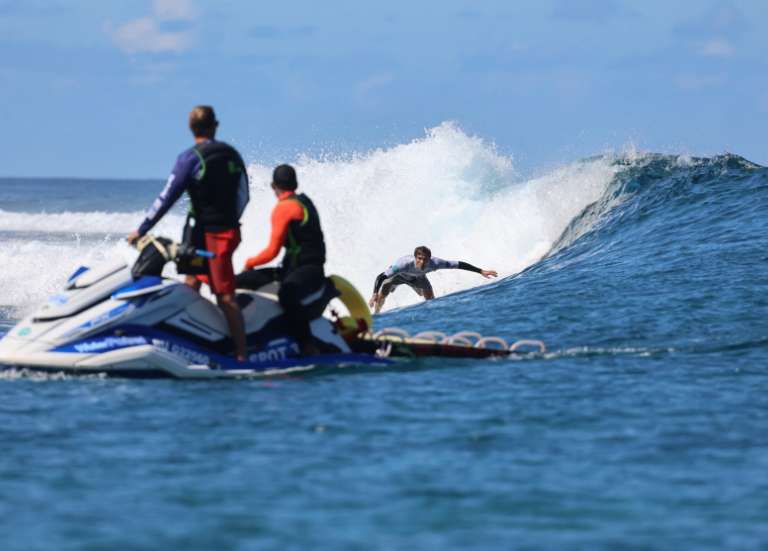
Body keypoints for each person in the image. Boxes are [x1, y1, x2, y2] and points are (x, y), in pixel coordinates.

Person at [127, 105, 250, 361]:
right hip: (217, 233)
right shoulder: (232, 154)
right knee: (191, 284)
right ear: (215, 125)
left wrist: (142, 229)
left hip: (210, 235)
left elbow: (167, 197)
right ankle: (196, 339)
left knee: (224, 295)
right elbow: (243, 195)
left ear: (191, 128)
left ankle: (242, 355)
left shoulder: (190, 158)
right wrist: (231, 221)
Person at [237, 164, 326, 355]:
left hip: (306, 270)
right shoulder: (305, 201)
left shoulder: (284, 207)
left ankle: (307, 345)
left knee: (287, 294)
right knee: (241, 281)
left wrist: (249, 263)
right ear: (295, 184)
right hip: (297, 268)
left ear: (274, 186)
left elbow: (272, 251)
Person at [369, 246, 498, 313]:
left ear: (429, 259)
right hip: (398, 277)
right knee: (384, 291)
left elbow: (459, 264)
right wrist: (374, 293)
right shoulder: (404, 264)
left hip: (418, 278)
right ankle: (377, 313)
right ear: (415, 257)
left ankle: (430, 314)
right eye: (419, 258)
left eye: (425, 259)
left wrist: (481, 271)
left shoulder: (435, 263)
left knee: (430, 298)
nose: (422, 262)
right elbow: (381, 276)